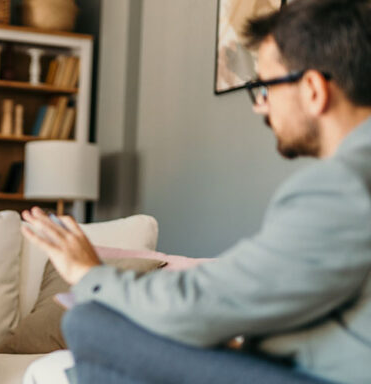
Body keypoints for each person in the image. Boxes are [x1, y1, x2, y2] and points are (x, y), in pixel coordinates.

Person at [21, 0, 371, 383]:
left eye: (264, 87)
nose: (261, 107)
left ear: (313, 89)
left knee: (91, 323)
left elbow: (206, 302)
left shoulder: (340, 186)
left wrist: (89, 274)